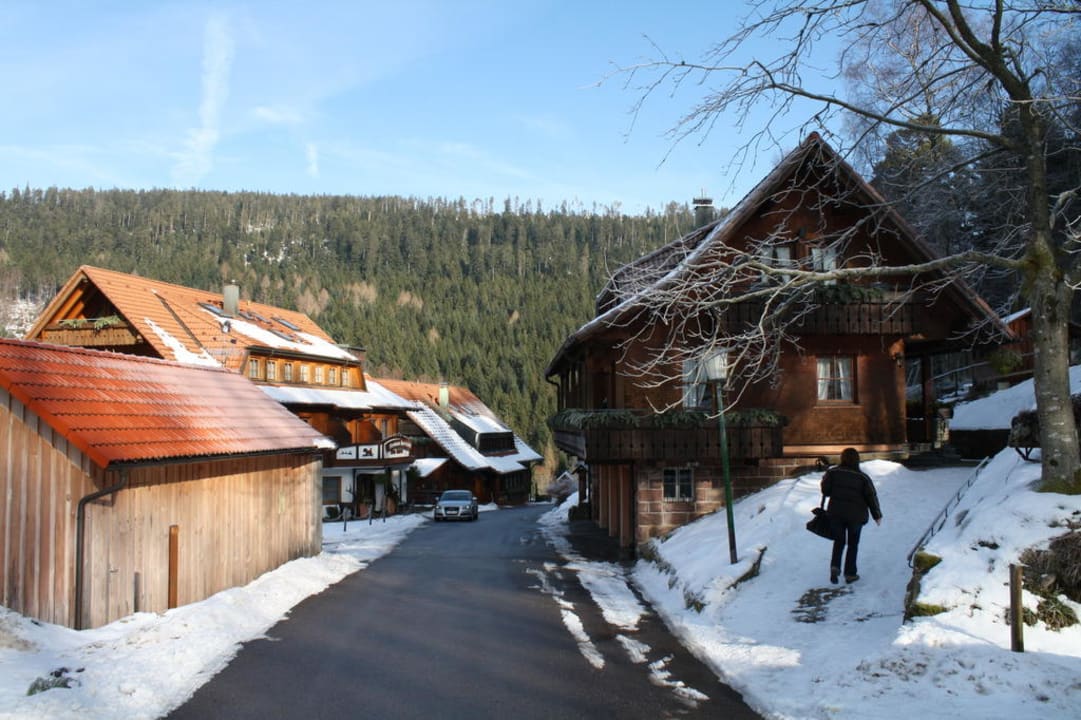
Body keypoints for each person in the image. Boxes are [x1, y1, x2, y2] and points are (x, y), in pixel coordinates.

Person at [821, 448, 883, 584]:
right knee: (853, 544)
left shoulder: (832, 472)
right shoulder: (863, 477)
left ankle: (835, 566)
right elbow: (871, 496)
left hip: (836, 513)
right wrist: (877, 515)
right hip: (856, 515)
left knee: (839, 541)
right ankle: (850, 574)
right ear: (857, 460)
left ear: (842, 458)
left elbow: (826, 490)